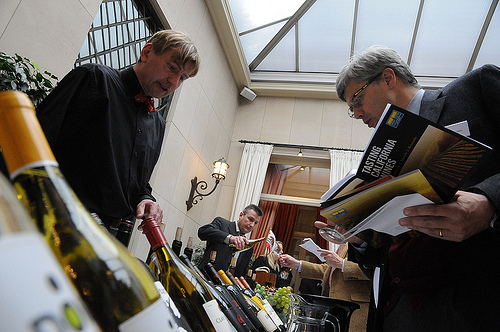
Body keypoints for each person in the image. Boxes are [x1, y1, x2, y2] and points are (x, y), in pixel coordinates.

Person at [327, 45, 500, 331]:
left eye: (357, 99)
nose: (356, 114)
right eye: (350, 110)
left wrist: (489, 204)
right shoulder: (380, 155)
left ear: (388, 78)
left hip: (479, 297)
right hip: (399, 310)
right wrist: (360, 238)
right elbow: (390, 243)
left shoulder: (475, 89)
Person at [36, 30, 200, 238]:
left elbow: (138, 183)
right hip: (53, 221)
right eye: (172, 67)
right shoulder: (94, 78)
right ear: (147, 52)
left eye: (182, 78)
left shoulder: (157, 124)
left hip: (108, 237)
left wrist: (146, 198)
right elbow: (35, 139)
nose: (174, 82)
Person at [279, 246, 371, 332]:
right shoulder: (344, 244)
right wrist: (298, 264)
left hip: (354, 311)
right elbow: (328, 271)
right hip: (335, 311)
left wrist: (342, 264)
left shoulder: (365, 242)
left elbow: (371, 269)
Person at [198, 204, 263, 275]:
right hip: (205, 277)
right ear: (241, 215)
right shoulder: (222, 224)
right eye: (250, 219)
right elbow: (202, 232)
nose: (252, 225)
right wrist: (230, 238)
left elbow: (241, 273)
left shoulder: (248, 246)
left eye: (255, 223)